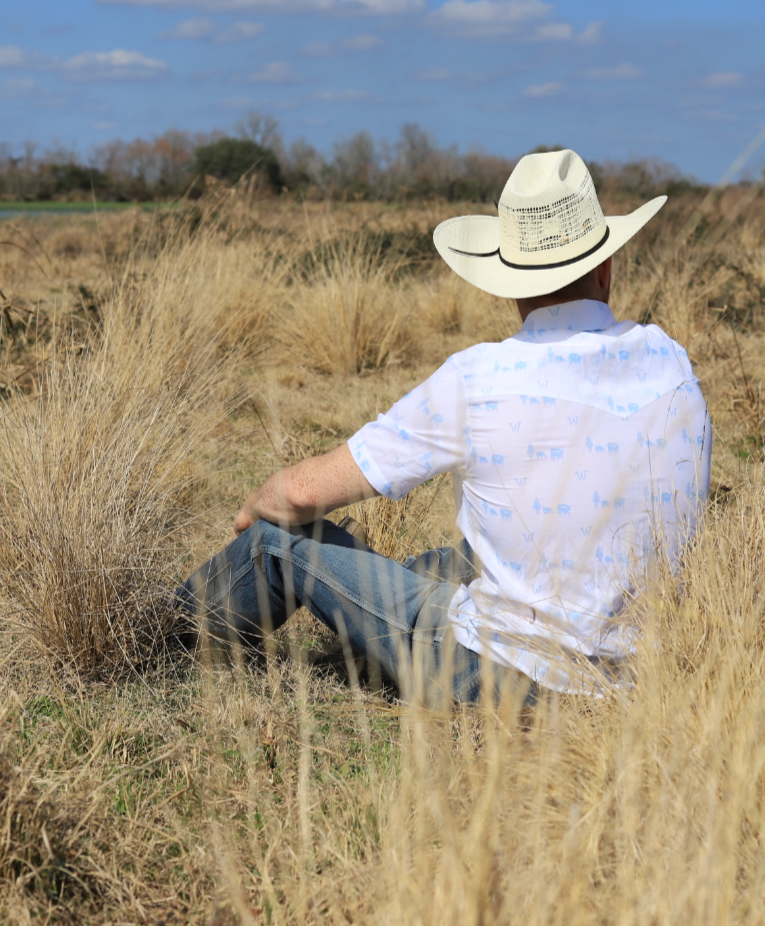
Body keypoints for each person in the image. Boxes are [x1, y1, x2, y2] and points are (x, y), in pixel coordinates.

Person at [176, 148, 711, 704]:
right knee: (464, 556)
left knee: (275, 542)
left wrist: (253, 505)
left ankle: (164, 637)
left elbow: (301, 494)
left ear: (510, 284)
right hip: (638, 673)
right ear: (605, 268)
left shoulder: (479, 378)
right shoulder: (673, 364)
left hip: (500, 677)